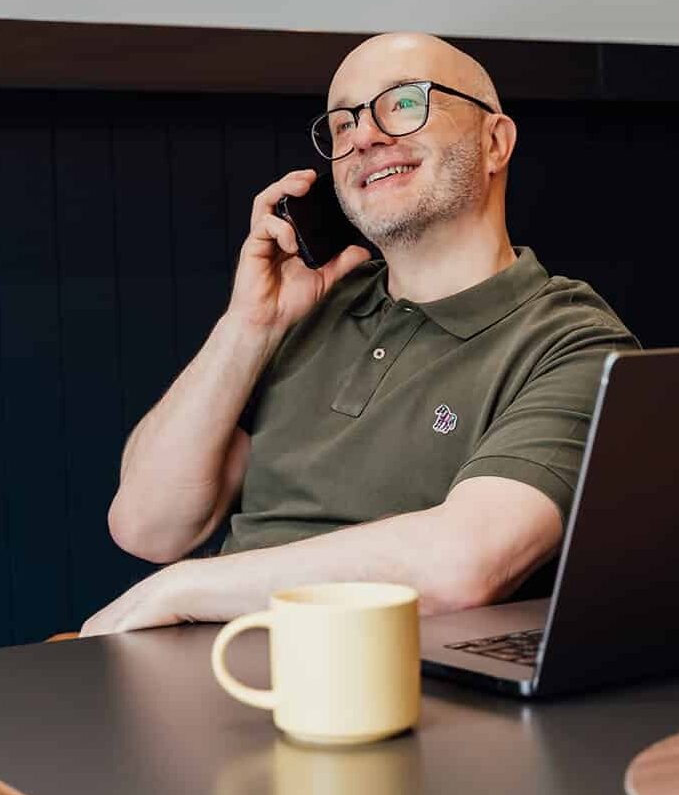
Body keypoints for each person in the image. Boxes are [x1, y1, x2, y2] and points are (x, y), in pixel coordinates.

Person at [80, 32, 638, 636]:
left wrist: (187, 586)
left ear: (494, 142)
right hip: (208, 663)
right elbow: (148, 526)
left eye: (403, 103)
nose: (364, 137)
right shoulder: (304, 313)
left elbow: (465, 562)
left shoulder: (574, 342)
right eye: (343, 123)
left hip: (386, 687)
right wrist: (248, 327)